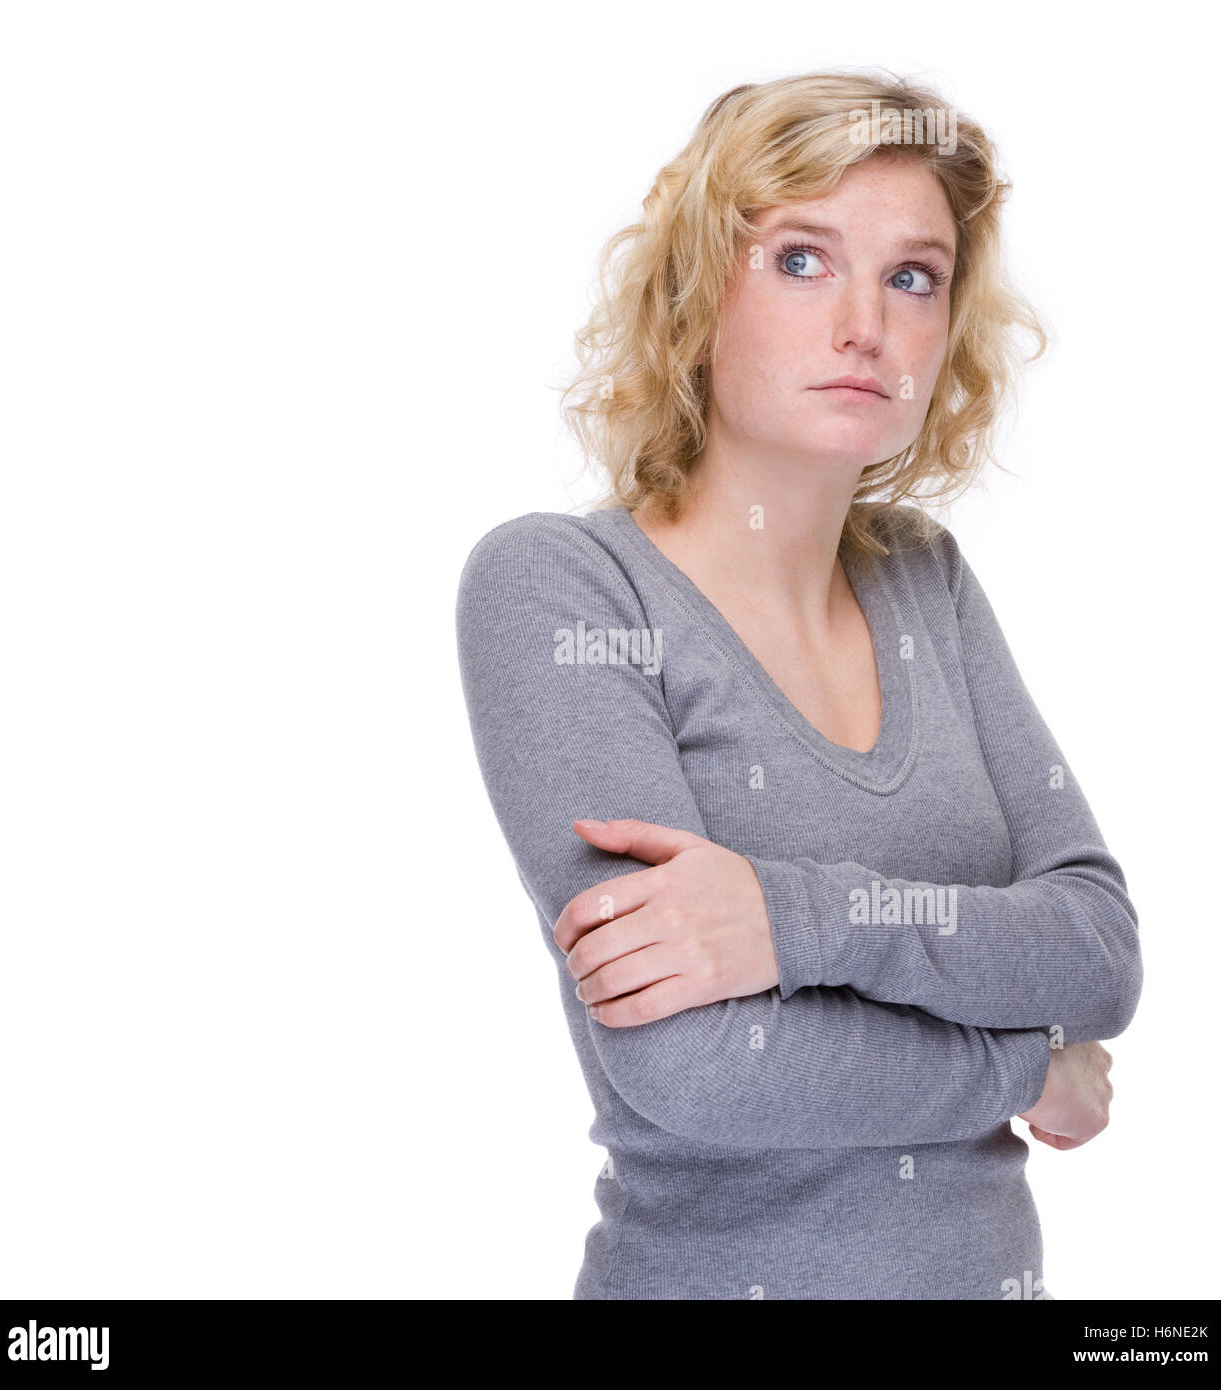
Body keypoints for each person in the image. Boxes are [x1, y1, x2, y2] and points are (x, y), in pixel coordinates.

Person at [455, 70, 1142, 1300]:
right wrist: (1024, 1069)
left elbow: (1095, 952)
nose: (864, 326)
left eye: (912, 276)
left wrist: (792, 917)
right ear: (696, 287)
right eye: (800, 259)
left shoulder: (921, 581)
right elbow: (695, 1066)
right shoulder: (564, 589)